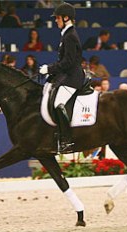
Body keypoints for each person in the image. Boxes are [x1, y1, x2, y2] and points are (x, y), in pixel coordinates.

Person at [38, 2, 85, 152]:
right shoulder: (66, 34)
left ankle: (67, 140)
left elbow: (68, 62)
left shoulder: (70, 35)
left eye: (57, 18)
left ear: (66, 18)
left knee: (59, 104)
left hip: (73, 77)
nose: (55, 20)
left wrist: (49, 68)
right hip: (66, 75)